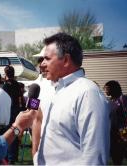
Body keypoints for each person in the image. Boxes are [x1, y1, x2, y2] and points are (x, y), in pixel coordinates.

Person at [32, 32, 110, 165]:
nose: (41, 64)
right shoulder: (46, 88)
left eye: (47, 59)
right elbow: (36, 119)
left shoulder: (87, 93)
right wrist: (35, 155)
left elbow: (94, 155)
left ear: (66, 60)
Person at [104, 80, 127, 165]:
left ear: (113, 89)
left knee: (126, 150)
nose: (106, 91)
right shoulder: (110, 100)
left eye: (107, 89)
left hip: (123, 129)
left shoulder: (123, 98)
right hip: (113, 131)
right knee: (115, 153)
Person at [2, 65, 23, 164]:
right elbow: (21, 98)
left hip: (8, 113)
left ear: (6, 74)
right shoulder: (17, 84)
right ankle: (13, 157)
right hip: (16, 113)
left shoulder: (5, 86)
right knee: (15, 133)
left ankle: (8, 157)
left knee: (8, 134)